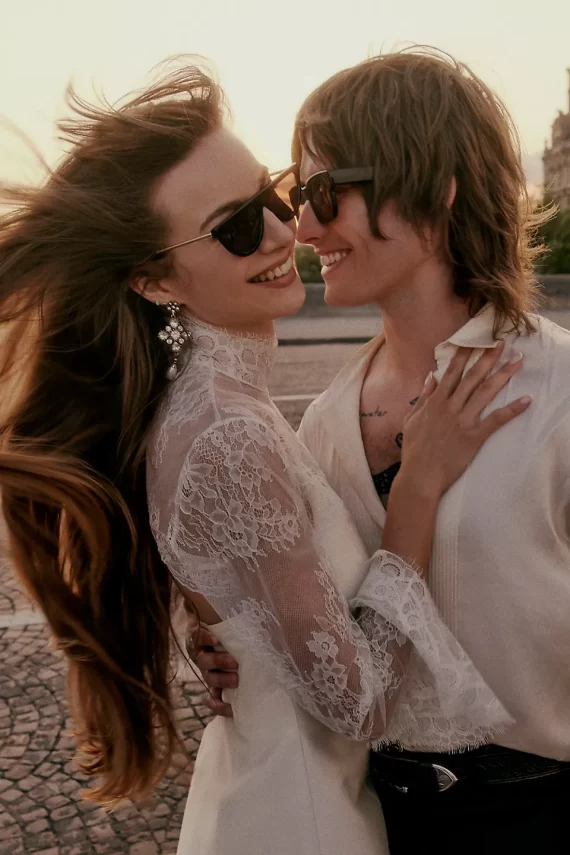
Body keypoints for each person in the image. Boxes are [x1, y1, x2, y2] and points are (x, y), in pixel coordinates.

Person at [0, 61, 528, 855]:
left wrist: (229, 634)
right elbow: (357, 707)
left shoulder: (221, 411)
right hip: (308, 817)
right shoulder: (228, 432)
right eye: (238, 226)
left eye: (276, 194)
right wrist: (417, 486)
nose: (289, 232)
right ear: (154, 279)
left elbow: (251, 585)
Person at [196, 48, 570, 854]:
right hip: (374, 819)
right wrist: (239, 641)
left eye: (326, 193)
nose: (302, 226)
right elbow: (332, 626)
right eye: (300, 195)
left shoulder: (561, 390)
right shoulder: (324, 423)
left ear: (435, 185)